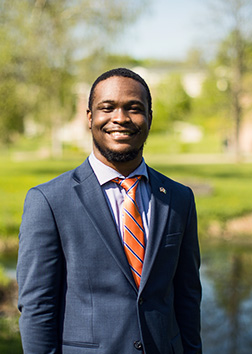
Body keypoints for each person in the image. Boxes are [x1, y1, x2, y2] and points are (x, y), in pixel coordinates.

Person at [17, 67, 202, 354]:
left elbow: (188, 297)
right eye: (107, 108)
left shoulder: (179, 199)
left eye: (134, 108)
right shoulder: (49, 201)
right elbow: (37, 307)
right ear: (90, 118)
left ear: (149, 118)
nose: (120, 118)